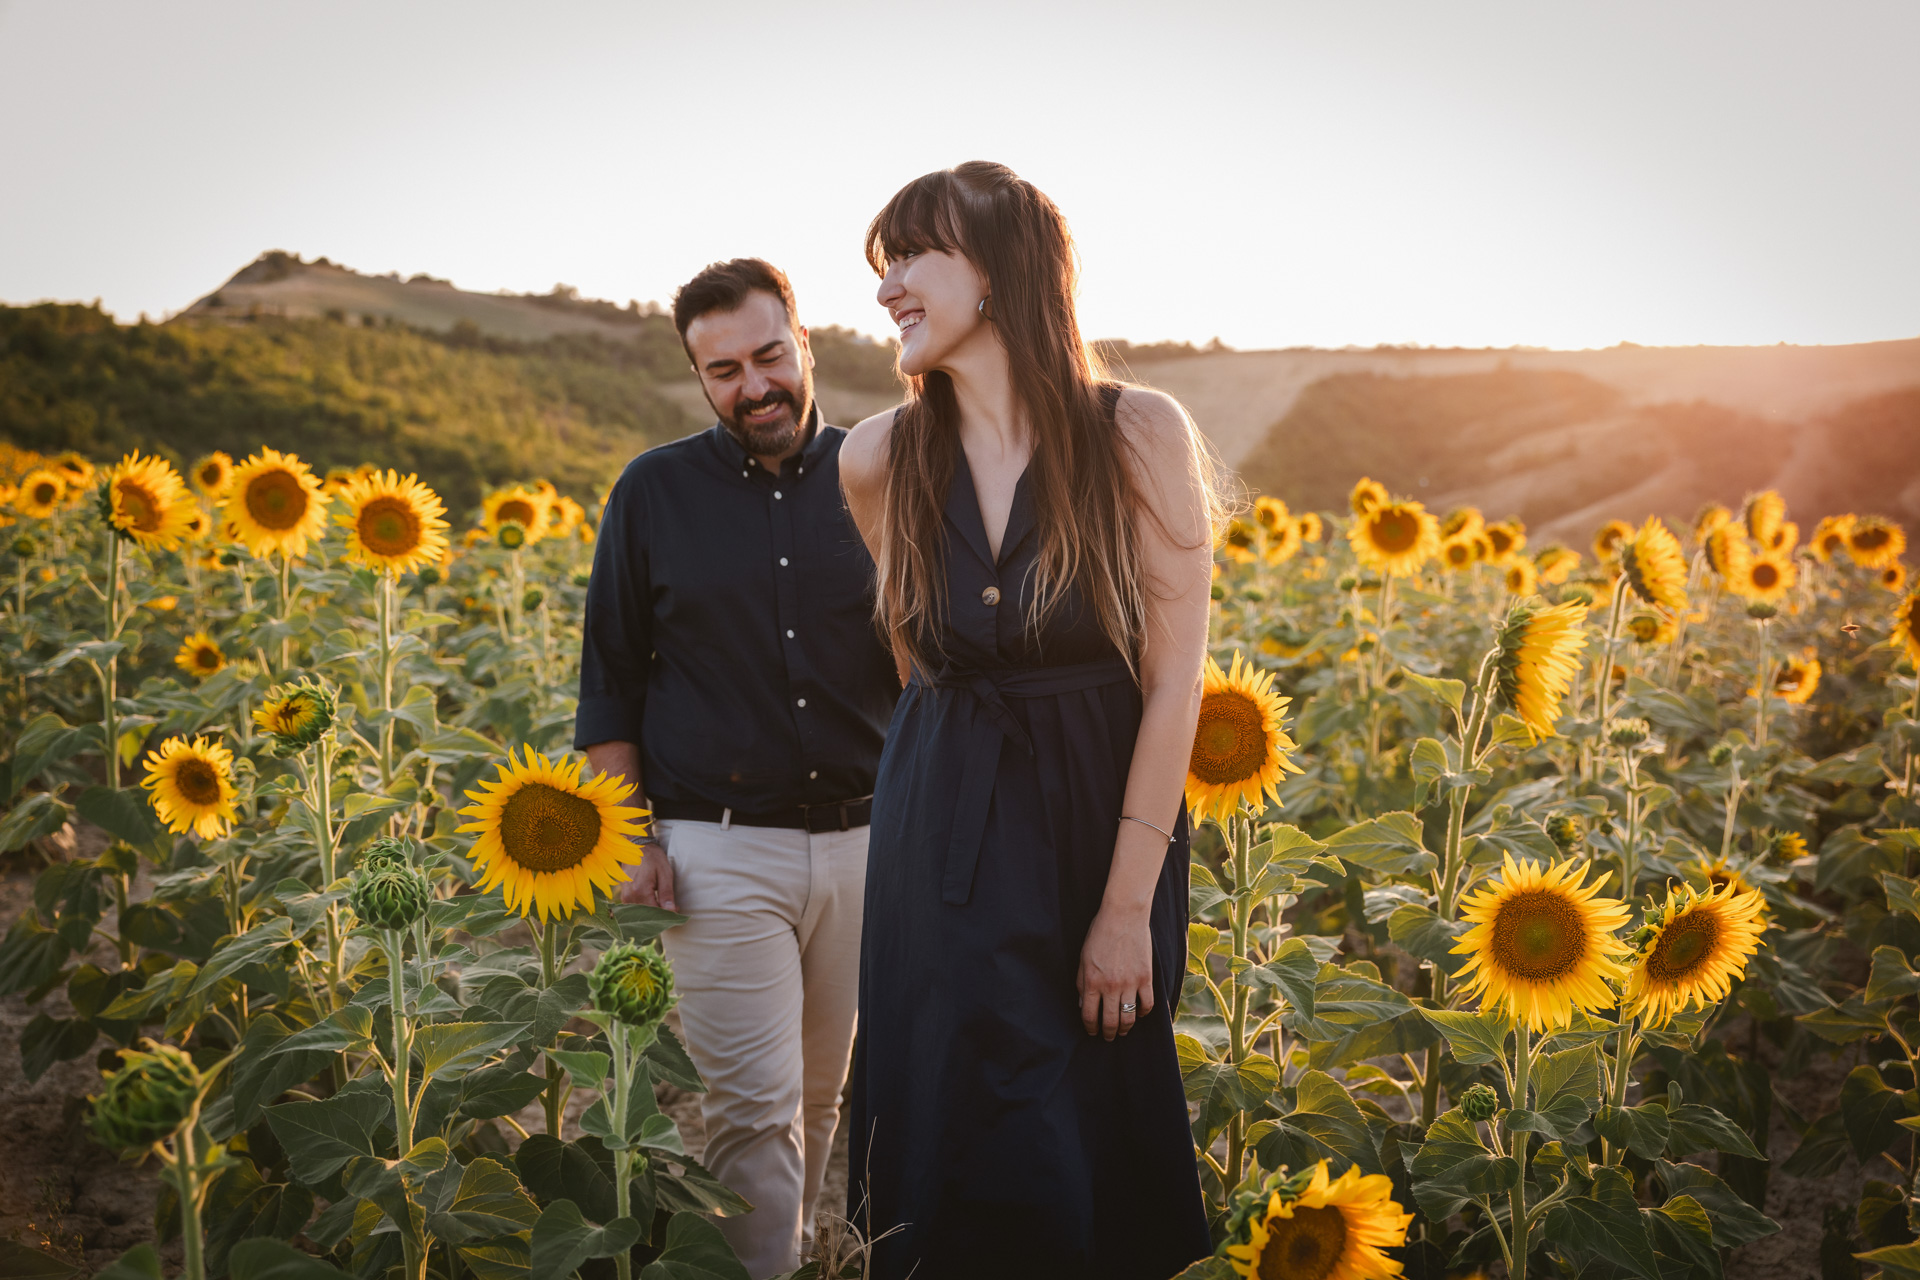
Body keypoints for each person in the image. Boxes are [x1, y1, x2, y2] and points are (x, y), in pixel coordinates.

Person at [839, 162, 1220, 1278]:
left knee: (1087, 1134)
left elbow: (1175, 684)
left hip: (1099, 828)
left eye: (914, 256)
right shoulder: (876, 459)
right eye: (882, 263)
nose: (887, 288)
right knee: (963, 1125)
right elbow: (925, 664)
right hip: (943, 827)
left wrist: (1122, 909)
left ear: (1000, 272)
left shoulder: (1138, 434)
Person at [575, 258, 900, 1277]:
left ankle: (793, 1256)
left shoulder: (883, 472)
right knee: (752, 1110)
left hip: (867, 839)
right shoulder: (653, 491)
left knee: (817, 1096)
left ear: (806, 345)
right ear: (698, 376)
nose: (753, 386)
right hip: (720, 847)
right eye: (724, 370)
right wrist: (628, 838)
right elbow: (612, 677)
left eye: (768, 356)